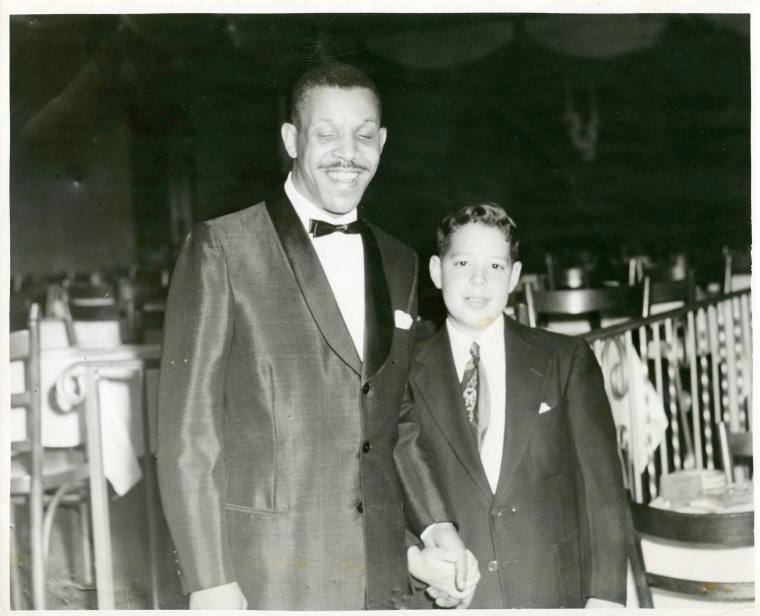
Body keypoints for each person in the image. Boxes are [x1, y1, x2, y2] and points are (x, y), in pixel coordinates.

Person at [156, 62, 475, 610]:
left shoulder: (400, 260)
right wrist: (207, 579)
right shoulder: (223, 248)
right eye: (325, 133)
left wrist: (436, 524)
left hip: (377, 573)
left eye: (363, 135)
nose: (346, 152)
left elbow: (392, 420)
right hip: (266, 573)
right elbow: (189, 436)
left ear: (383, 142)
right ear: (291, 140)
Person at [399, 202, 628, 608]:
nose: (478, 281)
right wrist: (418, 560)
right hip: (455, 598)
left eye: (495, 267)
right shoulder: (404, 371)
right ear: (436, 271)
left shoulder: (565, 358)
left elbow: (602, 488)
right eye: (463, 262)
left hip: (551, 592)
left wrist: (606, 595)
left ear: (515, 277)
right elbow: (389, 482)